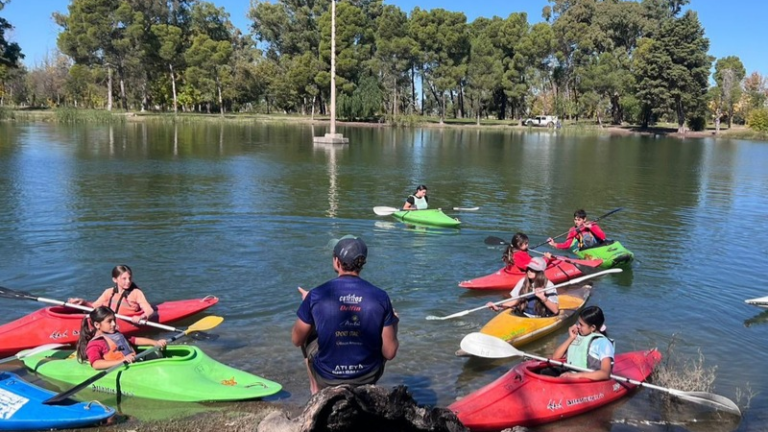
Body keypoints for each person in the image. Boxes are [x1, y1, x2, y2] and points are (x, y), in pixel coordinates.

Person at [291, 235, 399, 395]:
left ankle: (315, 389)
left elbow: (296, 340)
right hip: (367, 376)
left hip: (327, 377)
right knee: (381, 328)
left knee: (305, 331)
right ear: (362, 264)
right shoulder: (381, 296)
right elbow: (389, 353)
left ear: (336, 261)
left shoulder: (316, 295)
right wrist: (394, 322)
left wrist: (310, 306)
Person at [76, 306, 167, 370]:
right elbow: (96, 364)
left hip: (134, 364)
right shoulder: (95, 343)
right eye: (109, 321)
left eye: (114, 320)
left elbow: (135, 340)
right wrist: (122, 360)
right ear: (97, 325)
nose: (114, 324)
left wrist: (155, 342)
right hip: (122, 368)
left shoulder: (116, 334)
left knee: (157, 353)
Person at [69, 265, 155, 324]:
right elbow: (94, 307)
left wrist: (141, 317)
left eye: (130, 278)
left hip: (127, 320)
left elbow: (149, 310)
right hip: (109, 321)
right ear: (115, 280)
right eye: (124, 279)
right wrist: (83, 302)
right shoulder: (108, 292)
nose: (128, 281)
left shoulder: (136, 293)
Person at [548, 306, 614, 381]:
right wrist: (571, 337)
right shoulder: (579, 336)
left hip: (585, 380)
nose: (578, 326)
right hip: (571, 374)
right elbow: (556, 357)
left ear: (593, 327)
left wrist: (575, 376)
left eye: (581, 325)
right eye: (578, 323)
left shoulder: (603, 343)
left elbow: (605, 373)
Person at [487, 257, 559, 317]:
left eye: (533, 270)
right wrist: (498, 306)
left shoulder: (548, 285)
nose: (529, 271)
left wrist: (543, 297)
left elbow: (555, 310)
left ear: (540, 272)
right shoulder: (523, 281)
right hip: (524, 315)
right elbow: (515, 301)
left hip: (540, 317)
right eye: (528, 268)